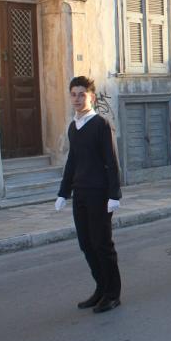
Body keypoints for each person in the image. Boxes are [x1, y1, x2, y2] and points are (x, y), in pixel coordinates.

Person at [55, 76, 123, 314]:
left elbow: (111, 161)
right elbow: (72, 161)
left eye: (81, 94)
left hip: (100, 194)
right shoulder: (74, 127)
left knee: (102, 244)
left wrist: (114, 194)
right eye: (73, 94)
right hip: (80, 193)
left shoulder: (101, 124)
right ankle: (101, 288)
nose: (77, 99)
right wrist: (63, 192)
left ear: (91, 97)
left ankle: (113, 294)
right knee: (86, 243)